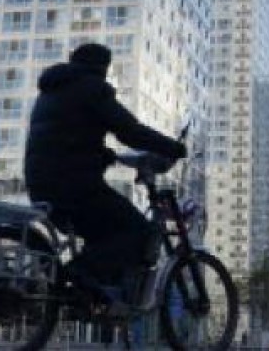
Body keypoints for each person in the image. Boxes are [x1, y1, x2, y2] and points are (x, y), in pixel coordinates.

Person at [24, 43, 186, 305]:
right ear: (102, 67)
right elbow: (130, 131)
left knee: (104, 232)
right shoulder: (91, 88)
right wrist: (173, 147)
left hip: (42, 186)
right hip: (75, 187)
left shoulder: (51, 92)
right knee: (139, 231)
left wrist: (107, 156)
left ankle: (92, 292)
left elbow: (67, 139)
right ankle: (77, 273)